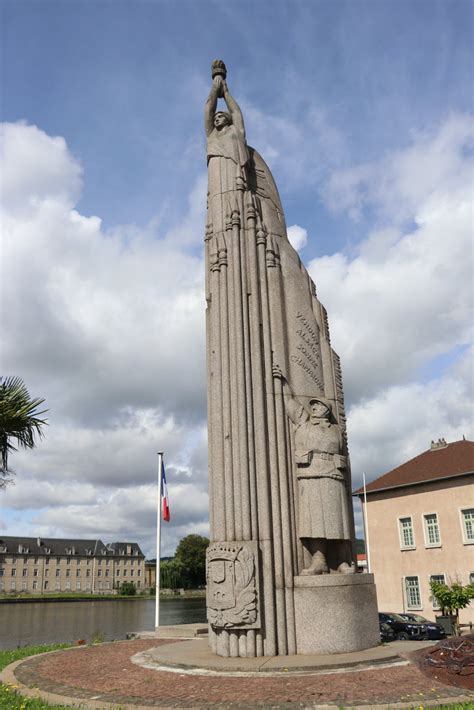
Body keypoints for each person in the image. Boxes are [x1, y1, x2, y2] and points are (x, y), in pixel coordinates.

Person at [273, 364, 354, 575]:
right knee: (314, 522)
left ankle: (342, 562)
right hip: (310, 474)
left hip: (333, 475)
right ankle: (319, 561)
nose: (314, 408)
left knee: (338, 521)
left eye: (318, 405)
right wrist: (281, 383)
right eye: (313, 405)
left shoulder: (337, 430)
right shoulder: (304, 423)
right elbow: (290, 404)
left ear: (327, 409)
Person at [204, 69, 249, 235]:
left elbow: (236, 112)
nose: (216, 118)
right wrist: (214, 90)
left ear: (227, 120)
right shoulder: (212, 136)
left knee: (236, 209)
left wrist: (226, 92)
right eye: (215, 118)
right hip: (216, 174)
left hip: (233, 171)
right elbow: (209, 107)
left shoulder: (236, 132)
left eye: (220, 116)